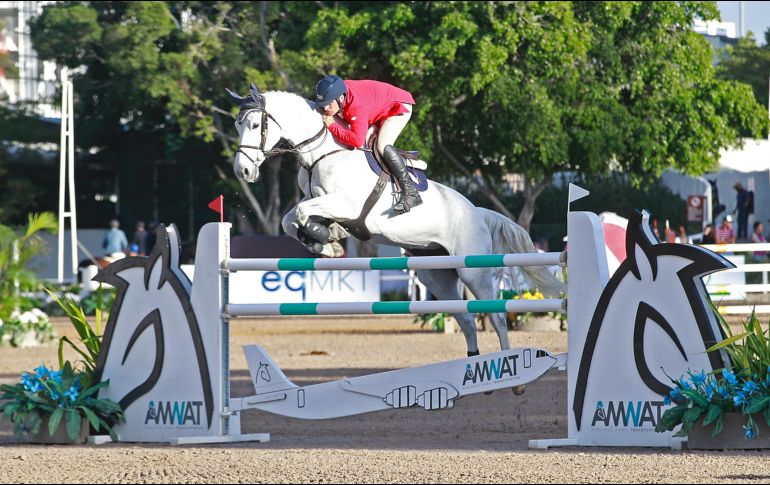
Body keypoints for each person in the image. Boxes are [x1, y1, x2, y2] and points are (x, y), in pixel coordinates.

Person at [313, 74, 422, 214]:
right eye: (323, 104)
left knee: (382, 145)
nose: (326, 108)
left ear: (340, 98)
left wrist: (333, 126)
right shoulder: (339, 93)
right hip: (376, 105)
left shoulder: (356, 106)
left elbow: (357, 141)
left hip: (398, 106)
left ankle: (411, 192)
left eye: (329, 104)